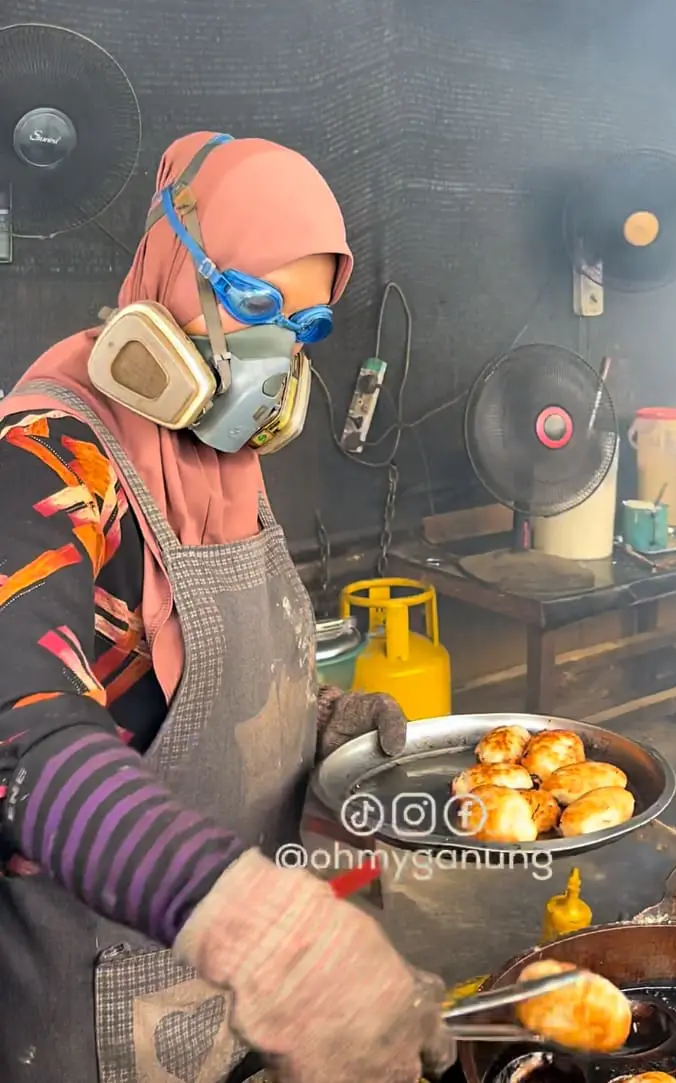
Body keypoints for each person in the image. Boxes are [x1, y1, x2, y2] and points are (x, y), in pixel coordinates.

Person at [0, 131, 455, 1083]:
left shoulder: (221, 463)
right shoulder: (43, 462)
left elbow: (172, 699)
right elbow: (23, 744)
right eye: (251, 301)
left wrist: (316, 730)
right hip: (90, 1028)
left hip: (245, 1027)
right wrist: (274, 935)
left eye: (307, 323)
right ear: (172, 265)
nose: (275, 353)